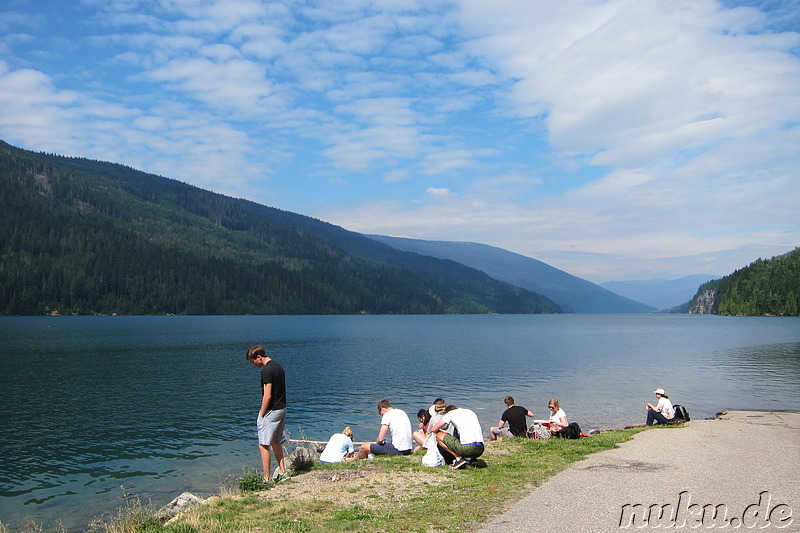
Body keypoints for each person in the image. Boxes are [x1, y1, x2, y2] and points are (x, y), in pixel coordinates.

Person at [246, 345, 289, 483]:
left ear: (259, 357)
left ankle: (266, 478)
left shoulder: (267, 371)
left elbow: (267, 396)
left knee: (263, 444)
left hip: (271, 412)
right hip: (282, 408)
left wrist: (261, 414)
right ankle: (283, 472)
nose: (253, 364)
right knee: (275, 441)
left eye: (253, 361)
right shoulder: (278, 367)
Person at [430, 405, 485, 469]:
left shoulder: (450, 414)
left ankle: (459, 459)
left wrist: (443, 434)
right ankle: (473, 459)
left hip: (467, 449)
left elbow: (433, 429)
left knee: (439, 436)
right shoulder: (470, 412)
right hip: (480, 449)